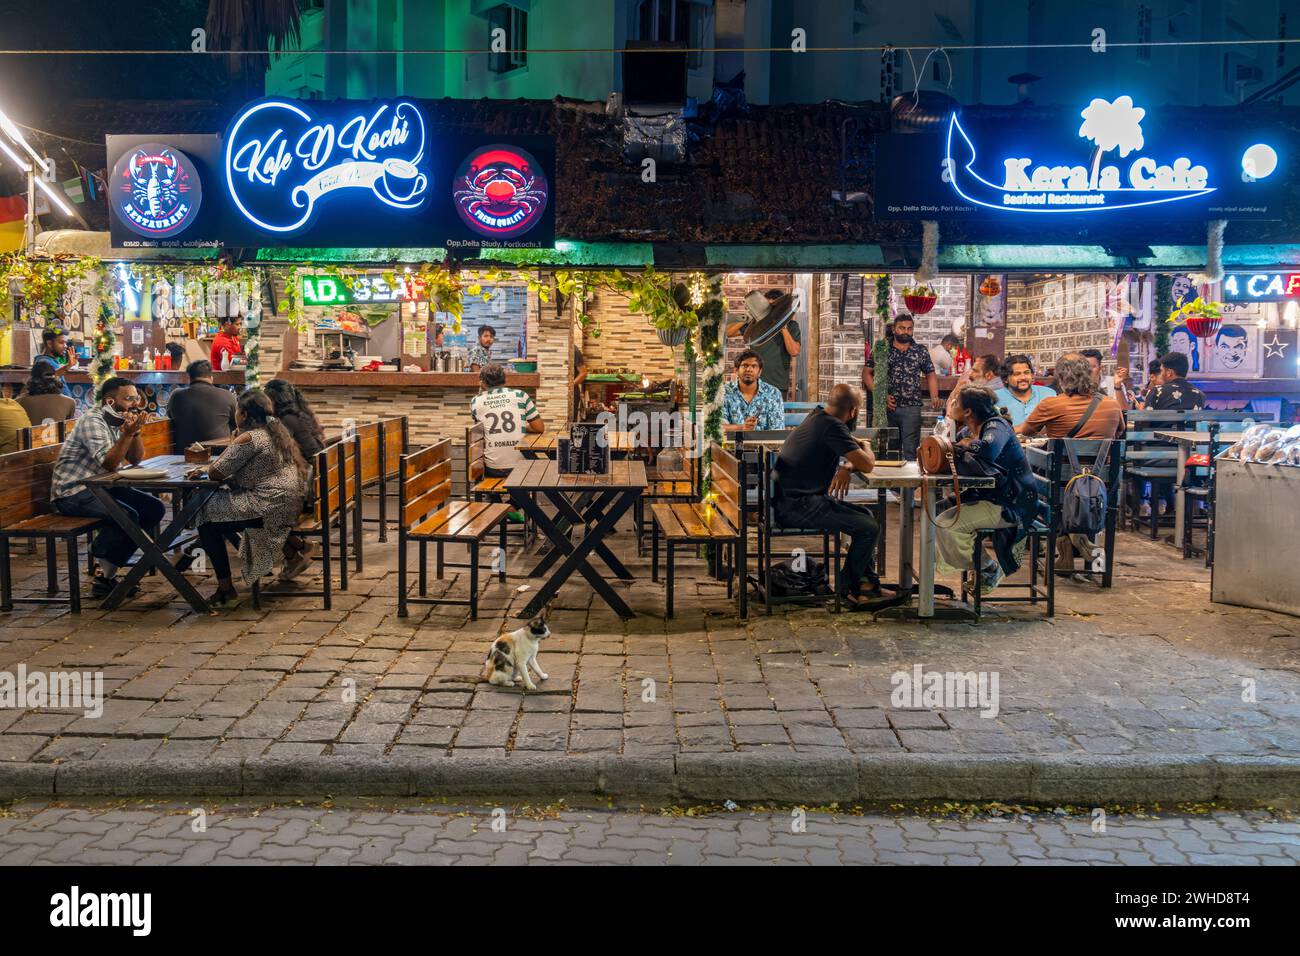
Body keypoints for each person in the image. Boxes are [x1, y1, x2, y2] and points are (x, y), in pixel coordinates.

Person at [772, 384, 895, 607]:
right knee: (869, 528)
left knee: (866, 515)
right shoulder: (831, 427)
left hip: (792, 501)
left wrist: (847, 467)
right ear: (854, 412)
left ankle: (867, 585)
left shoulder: (818, 417)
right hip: (800, 506)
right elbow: (867, 463)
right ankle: (847, 587)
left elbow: (851, 453)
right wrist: (866, 445)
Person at [188, 390, 310, 611]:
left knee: (204, 516)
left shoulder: (250, 437)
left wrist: (230, 446)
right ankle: (291, 548)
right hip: (288, 503)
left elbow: (217, 472)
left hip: (268, 507)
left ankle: (226, 588)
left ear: (243, 414)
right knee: (215, 509)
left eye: (236, 410)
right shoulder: (275, 431)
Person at [51, 377, 165, 598]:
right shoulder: (93, 421)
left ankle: (106, 566)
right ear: (110, 402)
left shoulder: (120, 420)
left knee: (154, 508)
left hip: (102, 487)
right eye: (128, 398)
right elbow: (109, 463)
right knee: (126, 515)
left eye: (136, 398)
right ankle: (105, 566)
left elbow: (135, 459)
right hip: (73, 492)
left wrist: (136, 431)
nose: (135, 403)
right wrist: (128, 433)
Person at [934, 386, 1034, 595]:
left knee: (946, 525)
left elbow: (986, 450)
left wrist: (965, 445)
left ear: (968, 411)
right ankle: (972, 565)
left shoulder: (996, 427)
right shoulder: (970, 429)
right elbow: (954, 446)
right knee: (936, 510)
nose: (951, 404)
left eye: (955, 402)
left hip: (1011, 503)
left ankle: (988, 568)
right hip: (988, 495)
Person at [862, 314, 940, 460]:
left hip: (912, 408)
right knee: (889, 451)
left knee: (912, 451)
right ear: (894, 329)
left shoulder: (920, 350)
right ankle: (892, 482)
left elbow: (930, 374)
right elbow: (866, 374)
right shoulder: (882, 349)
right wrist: (880, 395)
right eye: (902, 328)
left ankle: (910, 483)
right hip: (888, 408)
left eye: (910, 329)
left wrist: (934, 396)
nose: (906, 332)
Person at [1017, 355, 1126, 440]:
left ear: (1061, 378)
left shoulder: (1050, 404)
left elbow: (1027, 431)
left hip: (1061, 467)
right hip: (1102, 467)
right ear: (1089, 375)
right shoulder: (1112, 404)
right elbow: (1119, 431)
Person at [470, 363, 544, 476]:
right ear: (505, 379)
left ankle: (495, 495)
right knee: (539, 464)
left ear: (483, 382)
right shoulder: (520, 395)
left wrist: (481, 390)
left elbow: (482, 432)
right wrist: (521, 427)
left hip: (493, 467)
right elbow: (539, 428)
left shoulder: (475, 401)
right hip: (521, 466)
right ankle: (523, 493)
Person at [726, 289, 802, 396]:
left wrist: (782, 327)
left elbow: (794, 351)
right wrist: (749, 316)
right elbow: (729, 332)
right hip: (753, 383)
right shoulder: (755, 326)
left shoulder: (792, 325)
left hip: (777, 384)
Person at [167, 360, 237, 453]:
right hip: (218, 456)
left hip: (184, 455)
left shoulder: (176, 395)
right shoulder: (227, 395)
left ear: (189, 378)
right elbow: (237, 423)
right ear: (211, 377)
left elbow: (170, 416)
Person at [722, 350, 784, 433]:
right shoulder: (724, 392)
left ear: (759, 372)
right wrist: (742, 427)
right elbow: (718, 427)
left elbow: (777, 430)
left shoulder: (773, 393)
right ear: (736, 370)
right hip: (732, 444)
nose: (749, 369)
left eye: (754, 366)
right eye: (745, 365)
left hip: (764, 444)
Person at [264, 379, 326, 459]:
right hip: (318, 462)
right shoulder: (299, 413)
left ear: (276, 400)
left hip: (312, 466)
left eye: (267, 400)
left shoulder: (287, 420)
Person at [994, 354, 1055, 427]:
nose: (1023, 377)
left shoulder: (1048, 394)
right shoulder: (995, 398)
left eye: (1026, 373)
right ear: (1005, 379)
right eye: (1017, 374)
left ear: (1032, 375)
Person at [16, 363, 76, 427]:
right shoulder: (70, 402)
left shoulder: (19, 402)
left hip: (30, 436)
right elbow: (69, 430)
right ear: (55, 379)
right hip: (58, 436)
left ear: (32, 380)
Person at [32, 327, 73, 398]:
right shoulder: (43, 361)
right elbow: (47, 377)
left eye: (66, 343)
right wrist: (68, 366)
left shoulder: (51, 360)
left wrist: (68, 366)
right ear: (49, 343)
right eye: (61, 342)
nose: (65, 346)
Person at [571, 343, 588, 420]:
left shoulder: (574, 351)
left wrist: (570, 386)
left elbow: (583, 373)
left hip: (572, 393)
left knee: (570, 423)